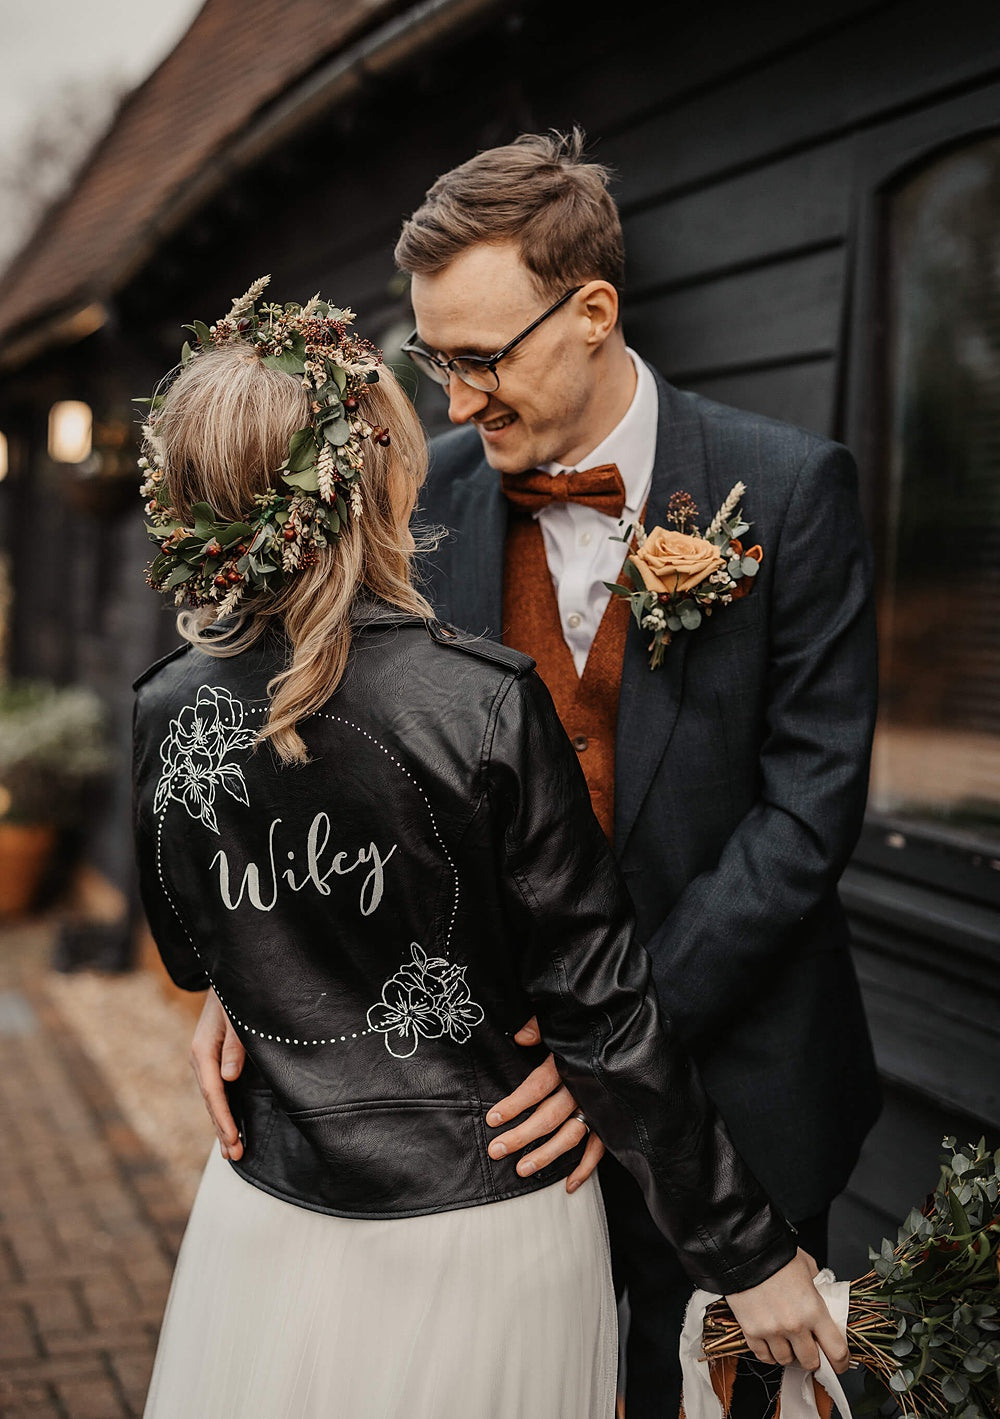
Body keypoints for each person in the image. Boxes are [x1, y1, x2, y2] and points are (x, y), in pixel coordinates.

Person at [133, 281, 848, 1419]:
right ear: (377, 485)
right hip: (484, 1217)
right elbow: (604, 1009)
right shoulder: (483, 701)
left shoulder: (164, 703)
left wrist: (263, 959)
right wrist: (749, 1253)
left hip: (263, 1212)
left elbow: (188, 951)